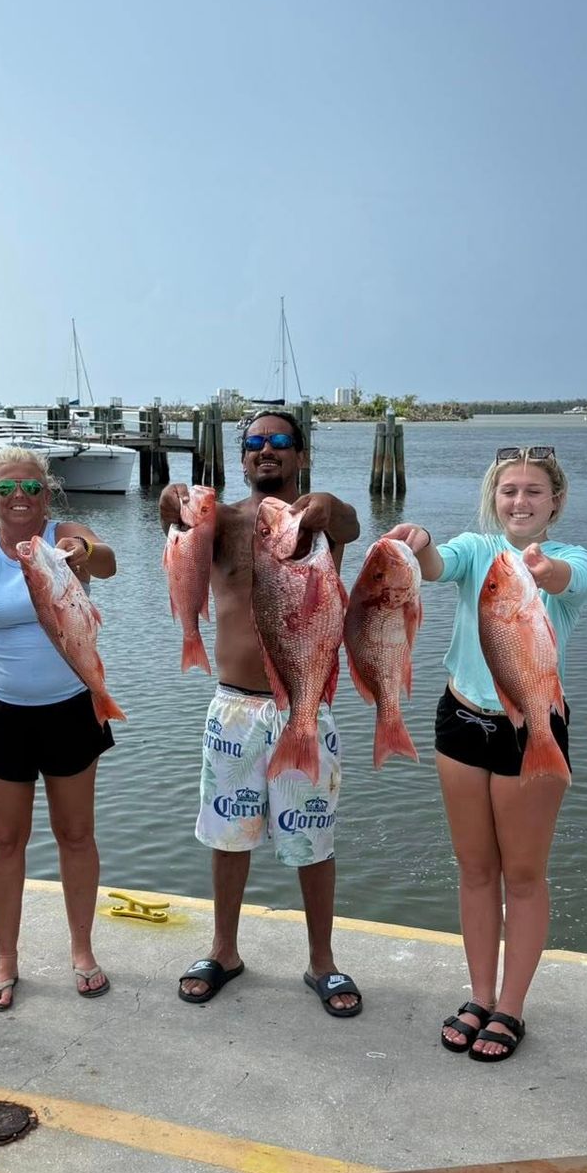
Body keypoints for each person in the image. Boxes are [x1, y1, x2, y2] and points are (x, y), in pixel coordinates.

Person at [386, 445, 587, 1062]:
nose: (520, 502)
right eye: (509, 491)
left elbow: (566, 580)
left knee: (523, 875)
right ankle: (479, 995)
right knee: (475, 869)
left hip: (532, 724)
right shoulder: (477, 551)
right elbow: (432, 567)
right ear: (493, 498)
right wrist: (419, 542)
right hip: (460, 719)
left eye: (534, 491)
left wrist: (541, 570)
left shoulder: (572, 559)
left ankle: (511, 1007)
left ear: (555, 501)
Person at [159, 410, 364, 1017]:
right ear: (241, 458)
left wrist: (329, 505)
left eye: (278, 442)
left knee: (314, 843)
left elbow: (349, 521)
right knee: (228, 838)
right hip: (234, 709)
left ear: (300, 454)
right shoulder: (218, 521)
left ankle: (322, 961)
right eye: (253, 444)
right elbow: (174, 523)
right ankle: (224, 951)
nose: (265, 451)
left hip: (301, 704)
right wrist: (172, 503)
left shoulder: (318, 523)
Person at [0, 447, 118, 1011]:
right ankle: (6, 957)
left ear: (48, 493)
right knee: (4, 840)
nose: (21, 499)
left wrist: (81, 551)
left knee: (76, 834)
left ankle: (82, 950)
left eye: (32, 489)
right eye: (8, 489)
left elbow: (107, 561)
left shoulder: (66, 536)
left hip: (71, 705)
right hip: (1, 712)